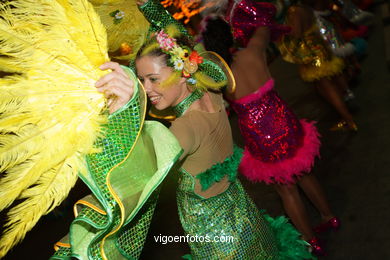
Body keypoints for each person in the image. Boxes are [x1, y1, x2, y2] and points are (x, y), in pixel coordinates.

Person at [53, 0, 314, 259]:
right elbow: (186, 43)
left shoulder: (184, 130)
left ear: (182, 72)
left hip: (219, 244)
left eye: (154, 79)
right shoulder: (210, 87)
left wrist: (123, 113)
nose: (147, 89)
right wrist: (150, 7)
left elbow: (129, 180)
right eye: (142, 80)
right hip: (246, 218)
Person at [201, 1, 339, 256]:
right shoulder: (254, 50)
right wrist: (246, 14)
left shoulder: (218, 75)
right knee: (304, 170)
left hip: (256, 131)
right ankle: (329, 216)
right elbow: (267, 22)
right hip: (282, 118)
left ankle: (312, 241)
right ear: (232, 34)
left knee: (285, 187)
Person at [278, 0, 358, 131]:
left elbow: (296, 33)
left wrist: (284, 31)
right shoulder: (305, 7)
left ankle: (348, 120)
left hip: (312, 55)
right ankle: (348, 102)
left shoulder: (294, 11)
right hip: (320, 48)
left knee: (328, 88)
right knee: (332, 81)